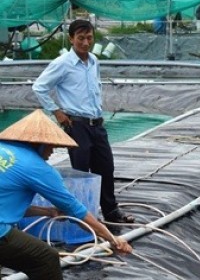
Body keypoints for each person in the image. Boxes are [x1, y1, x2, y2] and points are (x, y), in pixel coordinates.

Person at [0, 110, 132, 280]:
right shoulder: (37, 168)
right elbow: (77, 211)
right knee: (45, 258)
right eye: (50, 146)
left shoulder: (5, 152)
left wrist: (47, 212)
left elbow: (6, 204)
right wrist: (111, 238)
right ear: (38, 144)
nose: (52, 152)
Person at [32, 19, 134, 224]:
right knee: (81, 171)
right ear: (71, 39)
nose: (85, 43)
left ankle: (111, 211)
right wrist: (57, 112)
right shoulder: (63, 64)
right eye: (80, 38)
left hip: (96, 124)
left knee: (105, 167)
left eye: (89, 38)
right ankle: (83, 216)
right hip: (76, 125)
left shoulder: (94, 61)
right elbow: (39, 87)